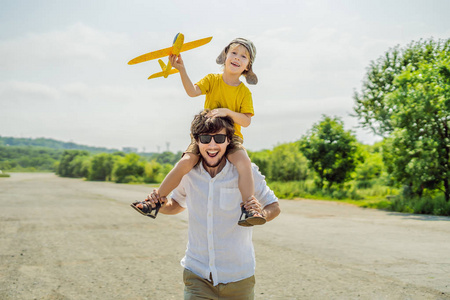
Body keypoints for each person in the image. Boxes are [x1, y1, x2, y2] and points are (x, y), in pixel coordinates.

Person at [140, 111, 280, 299]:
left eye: (219, 138)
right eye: (205, 138)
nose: (212, 145)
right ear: (197, 141)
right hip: (197, 274)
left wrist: (262, 214)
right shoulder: (188, 173)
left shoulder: (246, 172)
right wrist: (162, 204)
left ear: (228, 141)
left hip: (239, 277)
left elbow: (274, 206)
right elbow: (176, 204)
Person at [149, 37, 263, 226]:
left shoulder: (244, 92)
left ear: (247, 66)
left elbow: (246, 121)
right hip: (205, 135)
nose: (237, 58)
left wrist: (227, 112)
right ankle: (154, 201)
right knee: (185, 162)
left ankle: (249, 207)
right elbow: (193, 92)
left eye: (243, 56)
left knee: (243, 162)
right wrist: (181, 69)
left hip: (231, 138)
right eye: (233, 53)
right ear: (225, 56)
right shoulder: (212, 80)